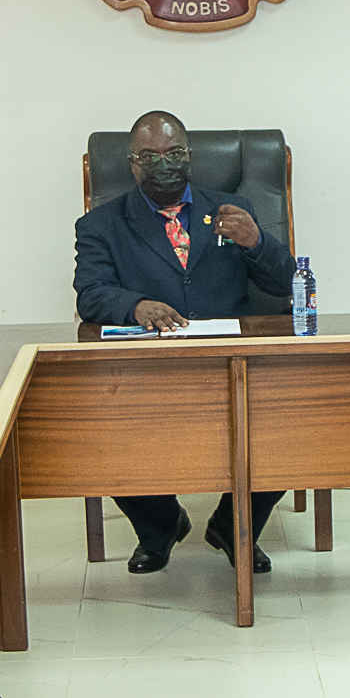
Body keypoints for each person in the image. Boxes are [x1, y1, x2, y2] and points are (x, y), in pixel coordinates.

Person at [72, 110, 293, 574]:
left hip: (231, 360)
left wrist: (256, 243)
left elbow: (287, 286)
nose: (162, 163)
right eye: (148, 156)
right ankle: (161, 526)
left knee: (284, 426)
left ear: (190, 157)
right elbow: (91, 294)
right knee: (103, 434)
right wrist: (135, 306)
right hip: (149, 367)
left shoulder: (235, 209)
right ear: (131, 164)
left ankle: (234, 528)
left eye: (173, 153)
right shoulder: (101, 224)